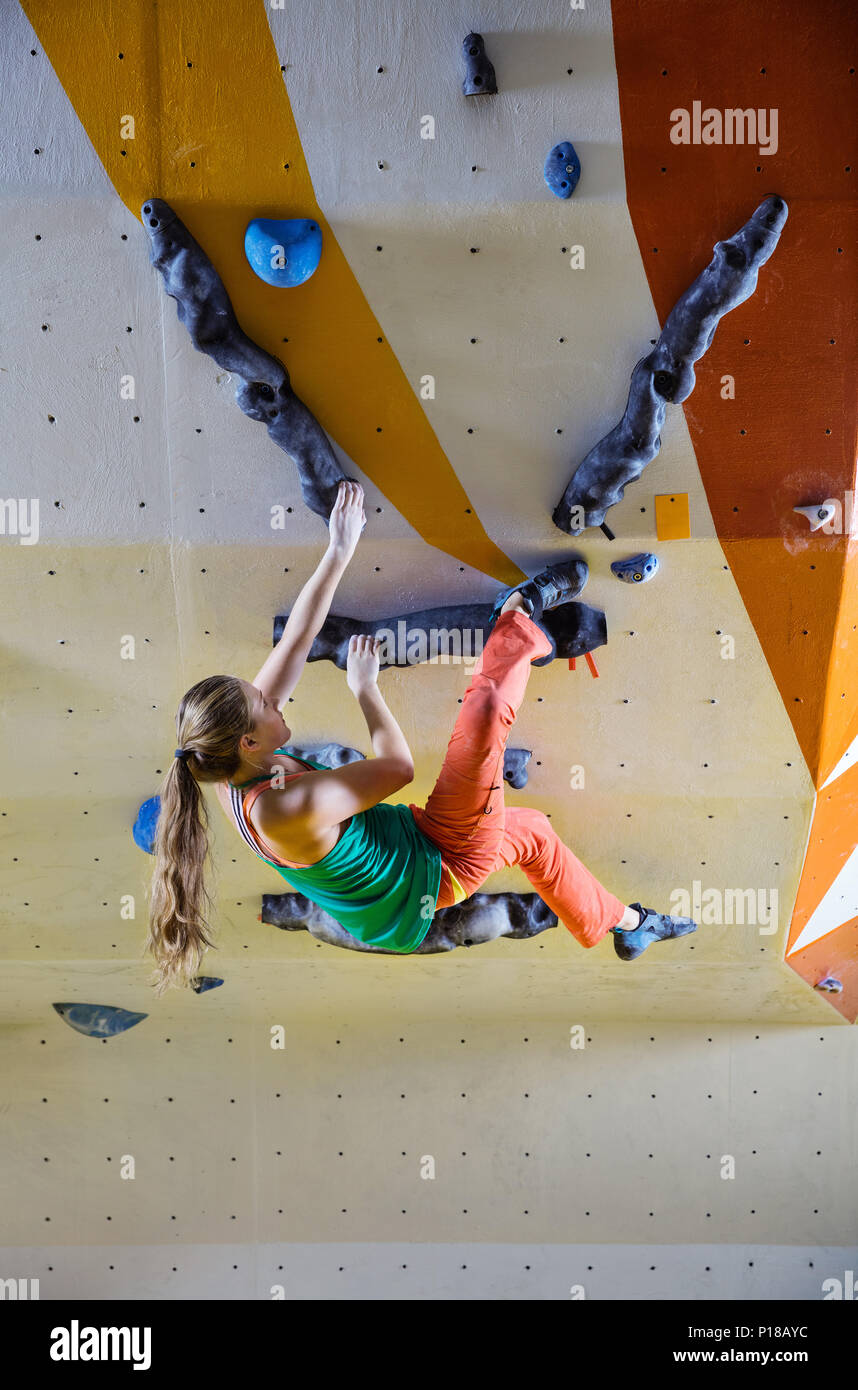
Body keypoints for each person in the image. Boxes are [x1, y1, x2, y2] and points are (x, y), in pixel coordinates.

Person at [146, 481, 696, 993]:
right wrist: (365, 688)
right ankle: (521, 614)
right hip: (439, 864)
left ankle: (631, 924)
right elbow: (399, 767)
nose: (273, 696)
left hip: (394, 890)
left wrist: (339, 550)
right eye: (264, 703)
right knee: (481, 725)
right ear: (247, 742)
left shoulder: (227, 764)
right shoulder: (286, 807)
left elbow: (295, 642)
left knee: (532, 833)